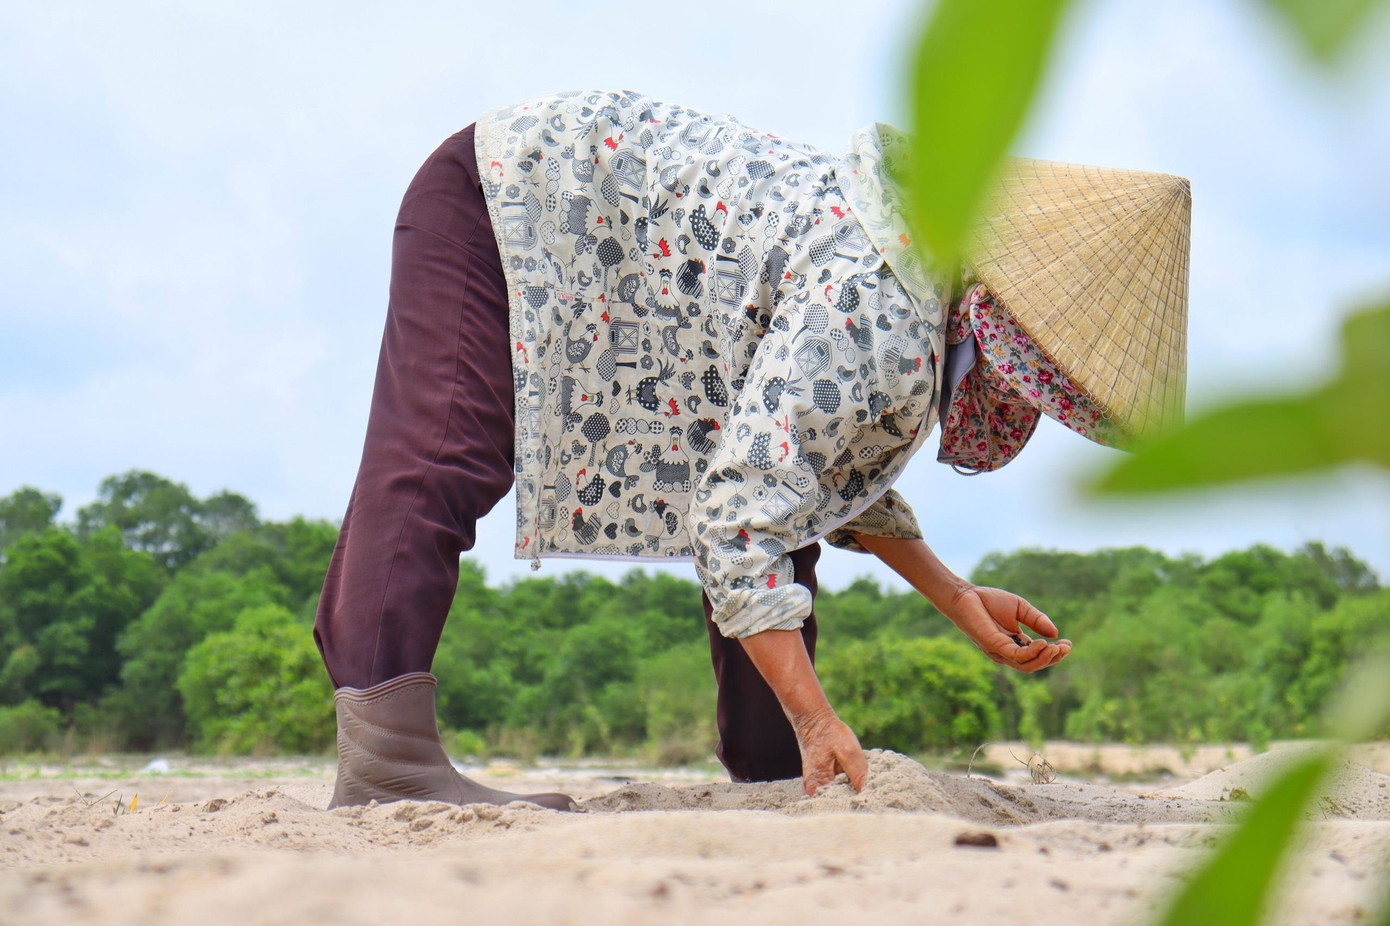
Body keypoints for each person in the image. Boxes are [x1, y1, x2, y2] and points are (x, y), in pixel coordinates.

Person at [312, 89, 1191, 809]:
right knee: (446, 448)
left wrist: (956, 597)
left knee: (786, 509)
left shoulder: (921, 274)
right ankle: (386, 753)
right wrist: (821, 720)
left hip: (581, 221)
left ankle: (769, 777)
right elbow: (738, 521)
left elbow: (820, 463)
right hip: (508, 198)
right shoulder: (883, 307)